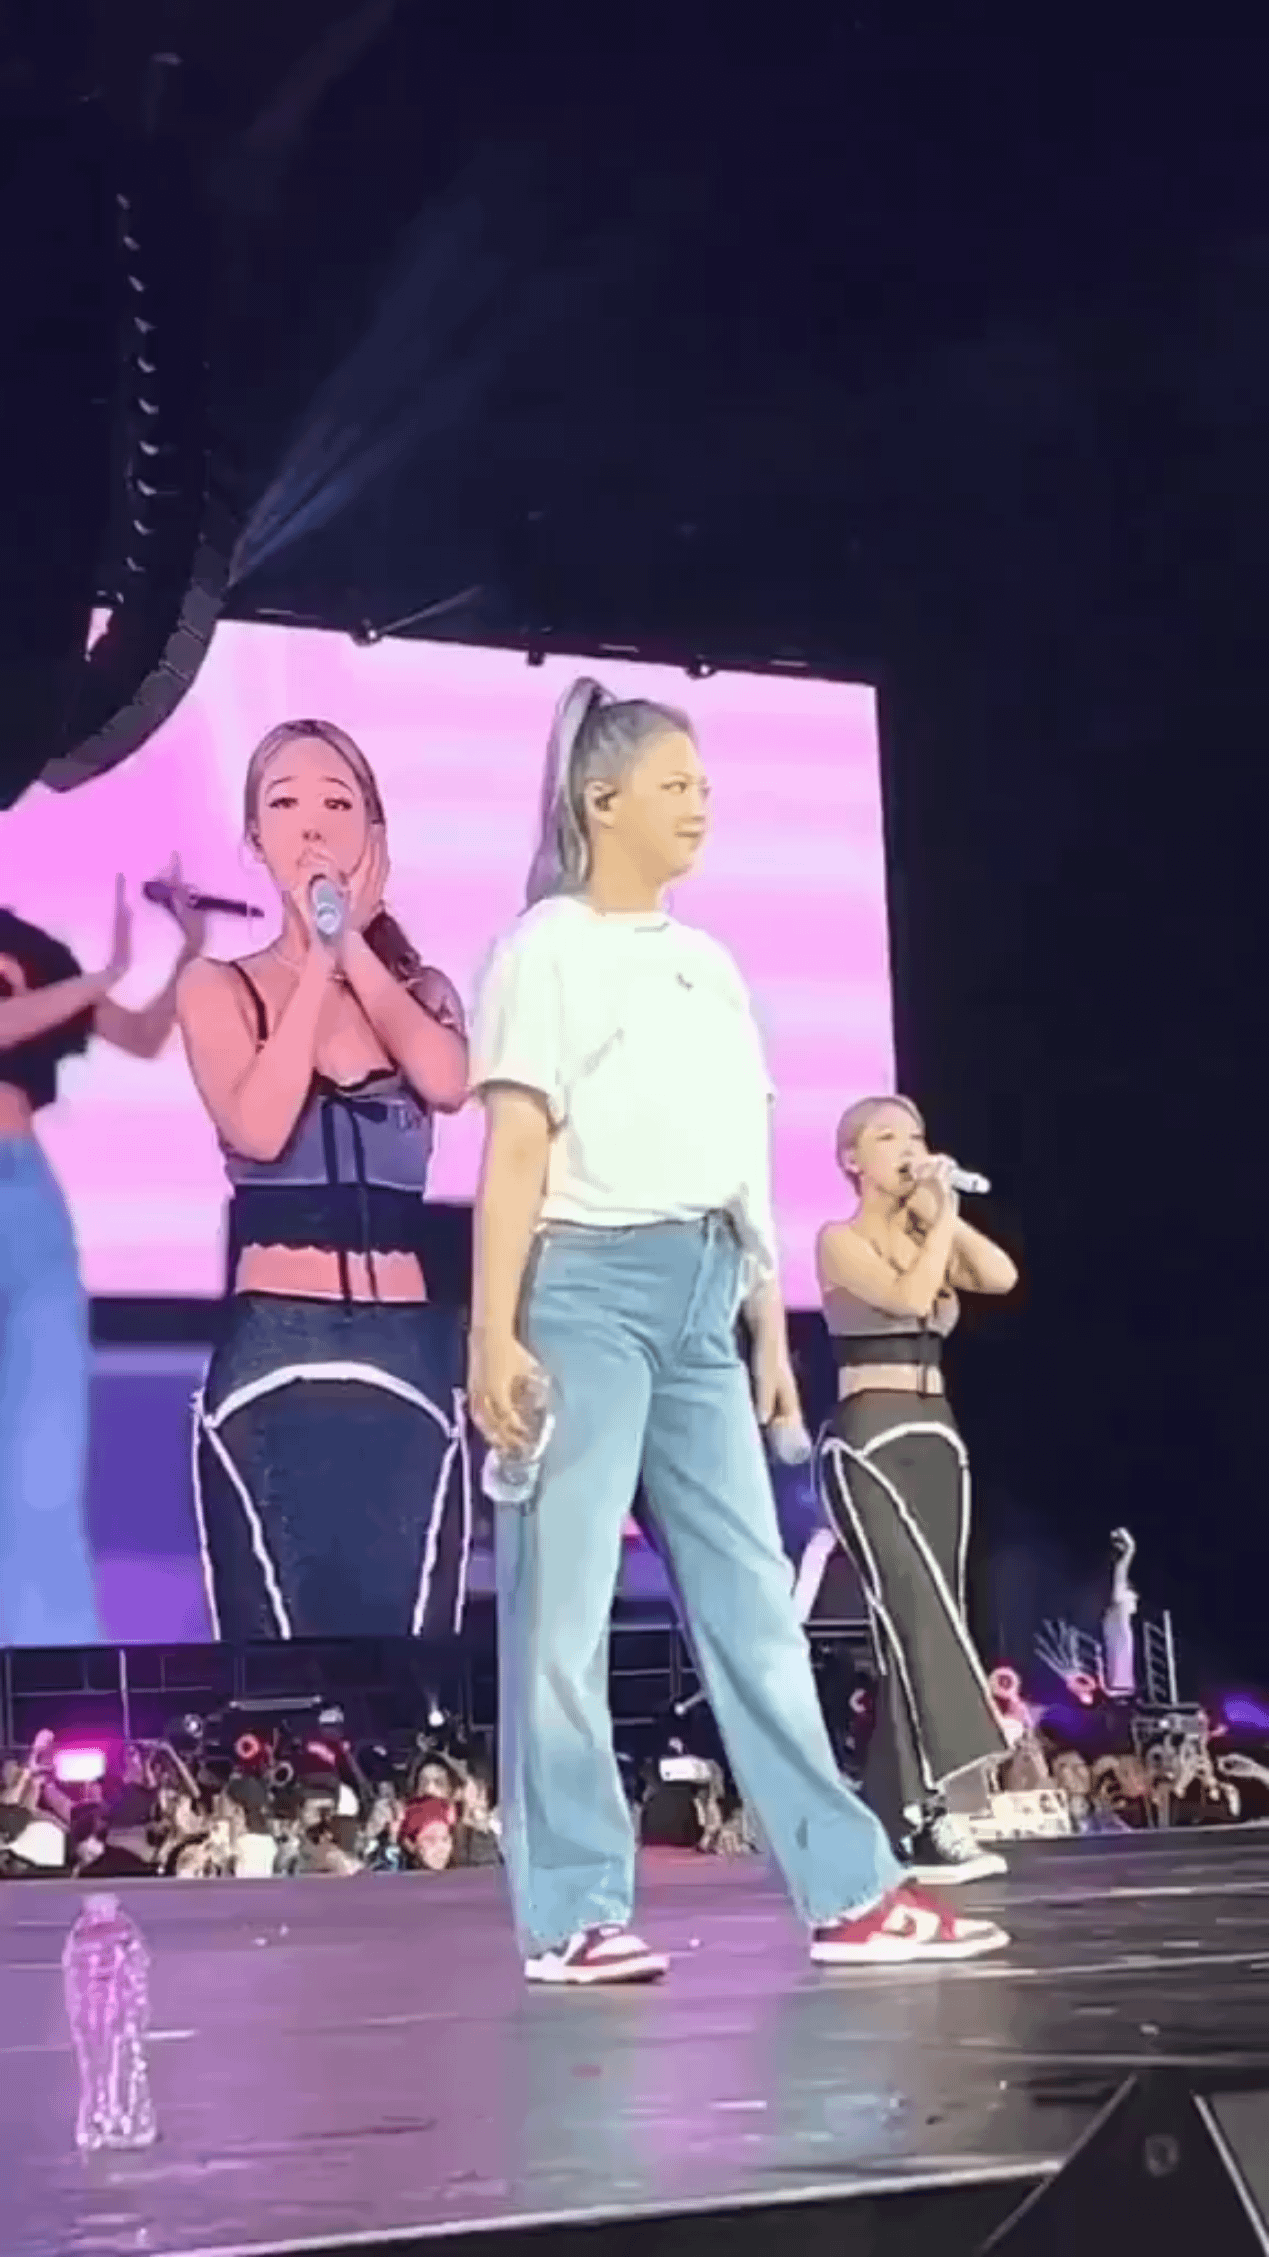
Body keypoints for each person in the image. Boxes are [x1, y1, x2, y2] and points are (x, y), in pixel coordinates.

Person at [467, 674, 1009, 1984]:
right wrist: (494, 1333)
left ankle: (848, 1891)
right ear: (601, 799)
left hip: (707, 1297)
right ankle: (572, 1910)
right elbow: (517, 1151)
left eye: (704, 785)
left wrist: (769, 1332)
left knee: (756, 1606)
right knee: (563, 1612)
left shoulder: (709, 964)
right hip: (583, 1288)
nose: (700, 805)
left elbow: (740, 1169)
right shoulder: (547, 947)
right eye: (675, 785)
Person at [177, 717, 471, 1641]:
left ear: (373, 837)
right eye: (285, 804)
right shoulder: (216, 986)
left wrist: (352, 953)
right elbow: (259, 1126)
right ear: (253, 839)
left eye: (337, 804)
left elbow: (448, 1082)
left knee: (416, 1652)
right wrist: (312, 960)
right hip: (277, 1351)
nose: (311, 825)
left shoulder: (421, 992)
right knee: (280, 1656)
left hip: (410, 1357)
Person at [815, 1095, 1018, 1882]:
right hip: (870, 1438)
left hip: (937, 1433)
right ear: (851, 1159)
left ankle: (906, 1814)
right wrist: (938, 1225)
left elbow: (998, 1274)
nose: (907, 1148)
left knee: (937, 1618)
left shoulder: (924, 1229)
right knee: (911, 1614)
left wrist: (940, 1209)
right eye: (887, 1136)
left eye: (916, 1135)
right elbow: (904, 1299)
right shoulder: (838, 1239)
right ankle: (929, 1812)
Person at [0, 874, 204, 1647]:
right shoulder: (66, 973)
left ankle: (44, 1660)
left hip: (26, 1194)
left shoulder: (34, 951)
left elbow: (143, 1035)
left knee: (43, 1453)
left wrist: (188, 953)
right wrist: (105, 973)